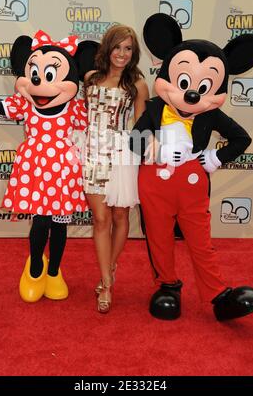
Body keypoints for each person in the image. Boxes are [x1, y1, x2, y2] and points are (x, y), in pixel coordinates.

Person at [130, 13, 253, 321]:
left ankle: (218, 293)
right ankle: (167, 285)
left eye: (204, 86)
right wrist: (152, 147)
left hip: (192, 181)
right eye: (185, 82)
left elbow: (241, 138)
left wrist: (215, 158)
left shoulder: (209, 116)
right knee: (159, 237)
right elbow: (134, 139)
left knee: (200, 241)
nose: (192, 93)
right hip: (155, 181)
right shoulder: (154, 108)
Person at [0, 32, 96, 303]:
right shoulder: (25, 104)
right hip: (36, 166)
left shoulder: (74, 108)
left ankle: (54, 271)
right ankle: (36, 268)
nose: (40, 82)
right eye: (35, 74)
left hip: (64, 169)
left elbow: (96, 116)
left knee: (60, 223)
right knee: (41, 221)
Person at [83, 24, 149, 313]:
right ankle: (107, 283)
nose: (122, 53)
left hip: (122, 153)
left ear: (133, 53)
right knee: (100, 219)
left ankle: (108, 268)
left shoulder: (137, 84)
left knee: (120, 215)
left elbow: (141, 127)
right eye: (117, 47)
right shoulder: (90, 79)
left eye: (128, 48)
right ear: (107, 48)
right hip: (93, 153)